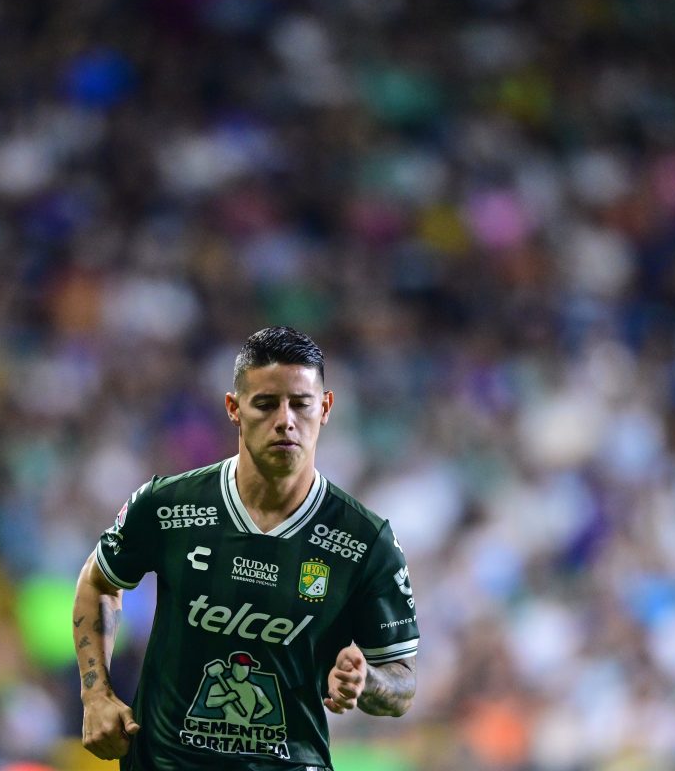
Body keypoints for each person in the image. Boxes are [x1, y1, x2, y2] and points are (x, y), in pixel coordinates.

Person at [72, 326, 419, 770]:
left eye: (301, 403)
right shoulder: (167, 505)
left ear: (326, 407)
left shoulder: (365, 541)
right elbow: (98, 582)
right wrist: (95, 695)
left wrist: (366, 680)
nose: (286, 420)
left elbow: (402, 684)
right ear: (234, 409)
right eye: (266, 404)